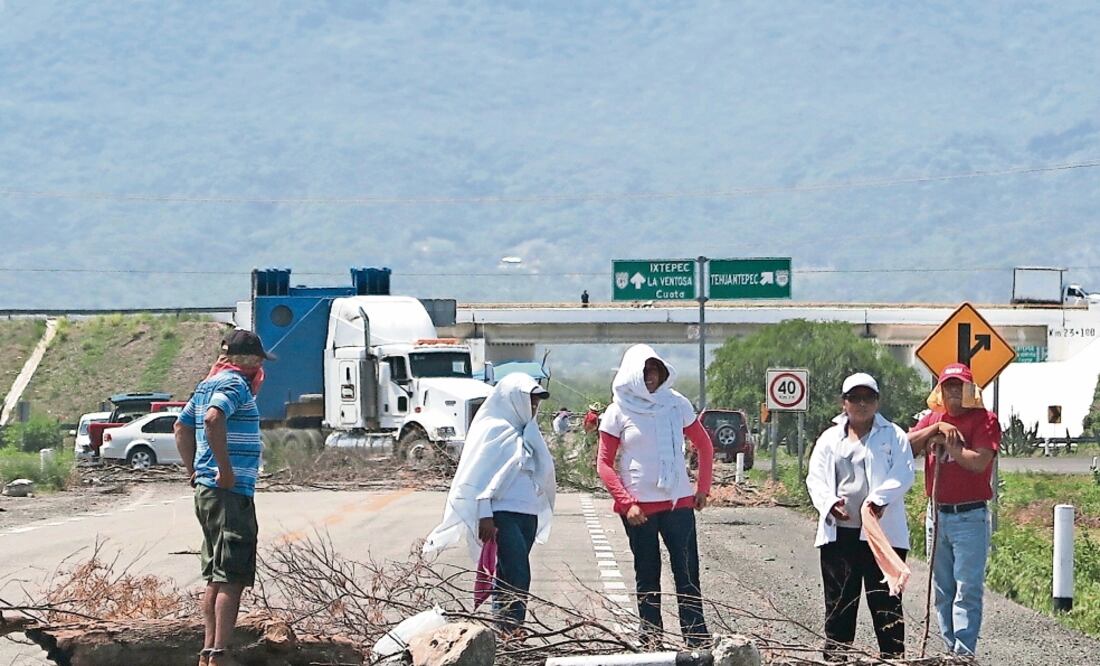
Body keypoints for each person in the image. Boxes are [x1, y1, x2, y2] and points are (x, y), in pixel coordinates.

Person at [597, 344, 713, 647]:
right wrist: (627, 504)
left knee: (687, 574)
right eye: (644, 371)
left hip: (679, 504)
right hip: (639, 510)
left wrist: (702, 488)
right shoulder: (617, 410)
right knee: (647, 575)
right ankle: (651, 639)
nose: (651, 376)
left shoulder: (676, 404)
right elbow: (604, 465)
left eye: (656, 370)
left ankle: (696, 639)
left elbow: (704, 444)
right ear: (631, 374)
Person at [424, 374, 556, 633]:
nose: (532, 407)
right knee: (518, 571)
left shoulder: (530, 432)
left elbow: (542, 471)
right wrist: (485, 515)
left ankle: (508, 632)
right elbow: (479, 477)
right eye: (528, 400)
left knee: (509, 575)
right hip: (501, 515)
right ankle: (508, 629)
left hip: (527, 514)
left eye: (535, 403)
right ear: (513, 399)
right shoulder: (494, 429)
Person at [174, 329, 274, 666]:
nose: (262, 367)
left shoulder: (206, 385)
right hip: (229, 492)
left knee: (216, 575)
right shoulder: (234, 385)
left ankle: (207, 651)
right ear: (252, 360)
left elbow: (181, 426)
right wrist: (225, 470)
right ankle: (219, 654)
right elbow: (213, 419)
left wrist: (194, 469)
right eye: (259, 360)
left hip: (208, 491)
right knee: (232, 575)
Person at [805, 373, 915, 661]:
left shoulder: (893, 435)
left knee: (886, 602)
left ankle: (892, 657)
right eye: (855, 398)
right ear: (844, 403)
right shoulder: (830, 439)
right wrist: (829, 504)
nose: (862, 404)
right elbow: (815, 478)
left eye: (868, 398)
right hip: (840, 534)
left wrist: (879, 500)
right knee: (840, 602)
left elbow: (904, 473)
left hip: (882, 535)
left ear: (877, 402)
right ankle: (837, 656)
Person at [908, 363, 1000, 657]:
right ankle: (950, 649)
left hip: (970, 516)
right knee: (943, 588)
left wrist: (949, 445)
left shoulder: (984, 420)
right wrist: (935, 429)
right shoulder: (932, 418)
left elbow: (978, 462)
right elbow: (905, 446)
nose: (953, 392)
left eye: (960, 386)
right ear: (940, 390)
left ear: (970, 390)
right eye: (948, 386)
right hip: (937, 514)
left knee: (968, 588)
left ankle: (964, 653)